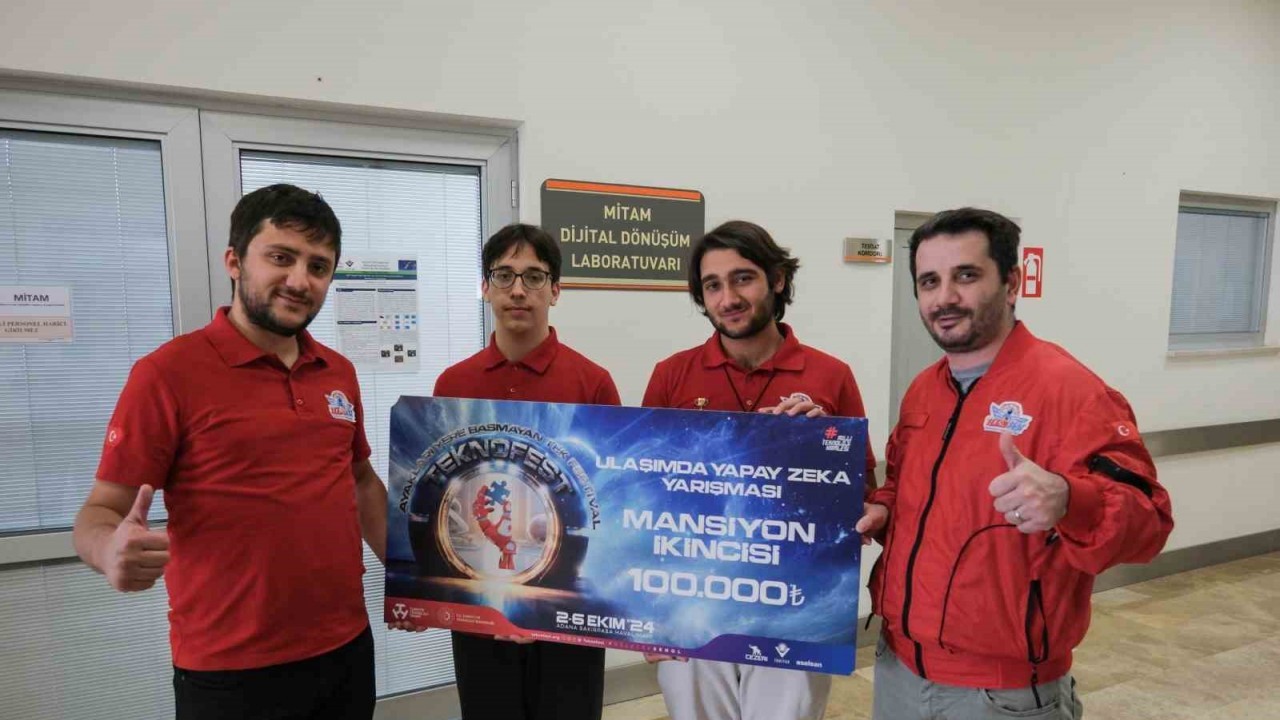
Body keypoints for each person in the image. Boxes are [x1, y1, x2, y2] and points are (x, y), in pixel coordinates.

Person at [73, 184, 389, 719]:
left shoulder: (337, 372)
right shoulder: (167, 374)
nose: (300, 280)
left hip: (345, 649)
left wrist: (415, 579)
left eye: (318, 266)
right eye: (281, 257)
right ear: (235, 262)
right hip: (229, 671)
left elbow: (360, 482)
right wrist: (108, 552)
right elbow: (101, 509)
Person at [858, 208, 1174, 719]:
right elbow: (904, 485)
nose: (944, 297)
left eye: (966, 276)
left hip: (1001, 695)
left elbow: (1150, 524)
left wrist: (1071, 500)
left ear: (1011, 283)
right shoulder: (924, 390)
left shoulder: (1070, 391)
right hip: (897, 670)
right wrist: (884, 510)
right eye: (929, 281)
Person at [642, 220, 878, 720]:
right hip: (693, 598)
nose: (728, 298)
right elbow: (645, 495)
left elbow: (863, 496)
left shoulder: (830, 376)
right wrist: (648, 616)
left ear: (777, 279)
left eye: (743, 278)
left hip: (793, 602)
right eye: (712, 285)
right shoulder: (672, 375)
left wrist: (820, 445)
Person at [433, 223, 621, 720]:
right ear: (485, 287)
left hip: (568, 611)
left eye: (534, 277)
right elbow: (446, 498)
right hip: (481, 608)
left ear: (555, 291)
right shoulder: (453, 383)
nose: (518, 290)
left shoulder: (593, 383)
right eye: (504, 275)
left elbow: (606, 500)